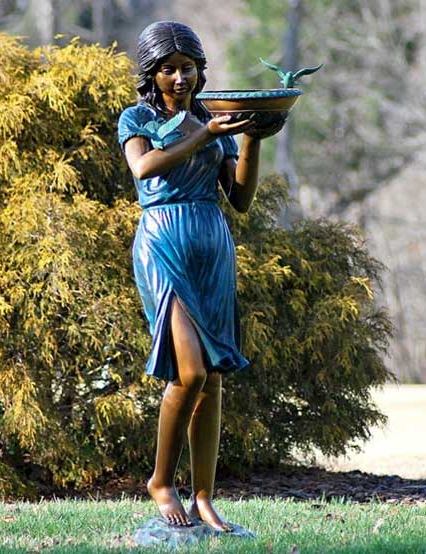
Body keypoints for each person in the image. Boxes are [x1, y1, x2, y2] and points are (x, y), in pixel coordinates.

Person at [117, 20, 284, 531]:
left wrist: (251, 138)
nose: (179, 77)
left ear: (199, 70)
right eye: (168, 68)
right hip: (163, 243)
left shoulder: (215, 117)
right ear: (152, 73)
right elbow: (145, 170)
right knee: (188, 373)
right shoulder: (137, 117)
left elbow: (240, 199)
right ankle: (161, 481)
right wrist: (204, 134)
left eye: (187, 67)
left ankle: (205, 497)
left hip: (212, 246)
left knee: (211, 379)